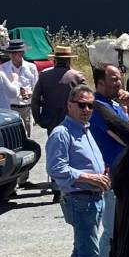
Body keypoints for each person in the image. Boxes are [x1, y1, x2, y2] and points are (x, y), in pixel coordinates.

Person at [46, 83, 110, 257]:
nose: (86, 109)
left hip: (93, 196)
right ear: (69, 105)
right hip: (80, 198)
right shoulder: (62, 133)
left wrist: (101, 173)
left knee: (81, 248)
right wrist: (89, 177)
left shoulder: (85, 129)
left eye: (90, 105)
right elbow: (56, 168)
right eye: (81, 105)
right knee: (89, 251)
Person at [89, 63, 129, 257]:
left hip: (124, 176)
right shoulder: (99, 109)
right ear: (100, 83)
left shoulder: (115, 105)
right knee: (111, 232)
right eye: (114, 80)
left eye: (119, 78)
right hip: (112, 177)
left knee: (122, 231)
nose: (119, 83)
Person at [31, 45, 85, 202]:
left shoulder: (44, 76)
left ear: (55, 60)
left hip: (52, 122)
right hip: (73, 121)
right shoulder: (77, 76)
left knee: (56, 154)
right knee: (73, 153)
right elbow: (86, 98)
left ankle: (56, 189)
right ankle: (72, 186)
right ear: (68, 61)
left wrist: (39, 119)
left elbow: (35, 101)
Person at [0, 39, 38, 136]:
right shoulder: (3, 68)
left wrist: (30, 94)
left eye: (15, 52)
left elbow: (36, 88)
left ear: (22, 53)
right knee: (12, 137)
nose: (12, 55)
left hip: (26, 108)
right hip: (10, 108)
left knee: (29, 138)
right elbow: (1, 90)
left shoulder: (32, 67)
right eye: (10, 52)